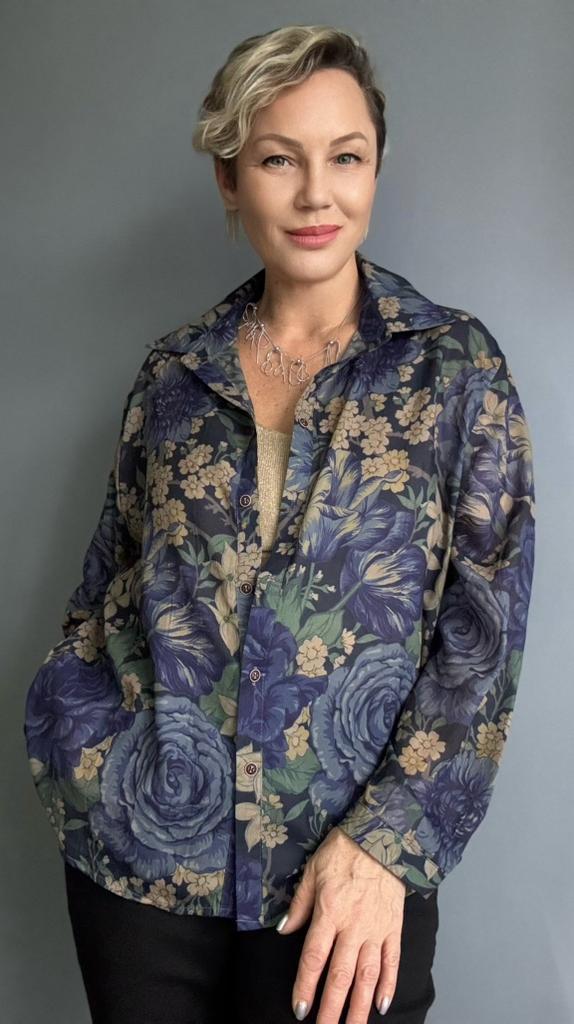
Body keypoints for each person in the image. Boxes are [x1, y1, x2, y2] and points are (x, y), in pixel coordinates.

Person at [23, 23, 536, 1024]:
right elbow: (109, 582)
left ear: (375, 167)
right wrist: (78, 733)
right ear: (229, 177)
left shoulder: (454, 370)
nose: (315, 195)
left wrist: (387, 847)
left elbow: (483, 644)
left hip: (342, 886)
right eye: (277, 159)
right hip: (142, 869)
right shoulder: (175, 374)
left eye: (345, 157)